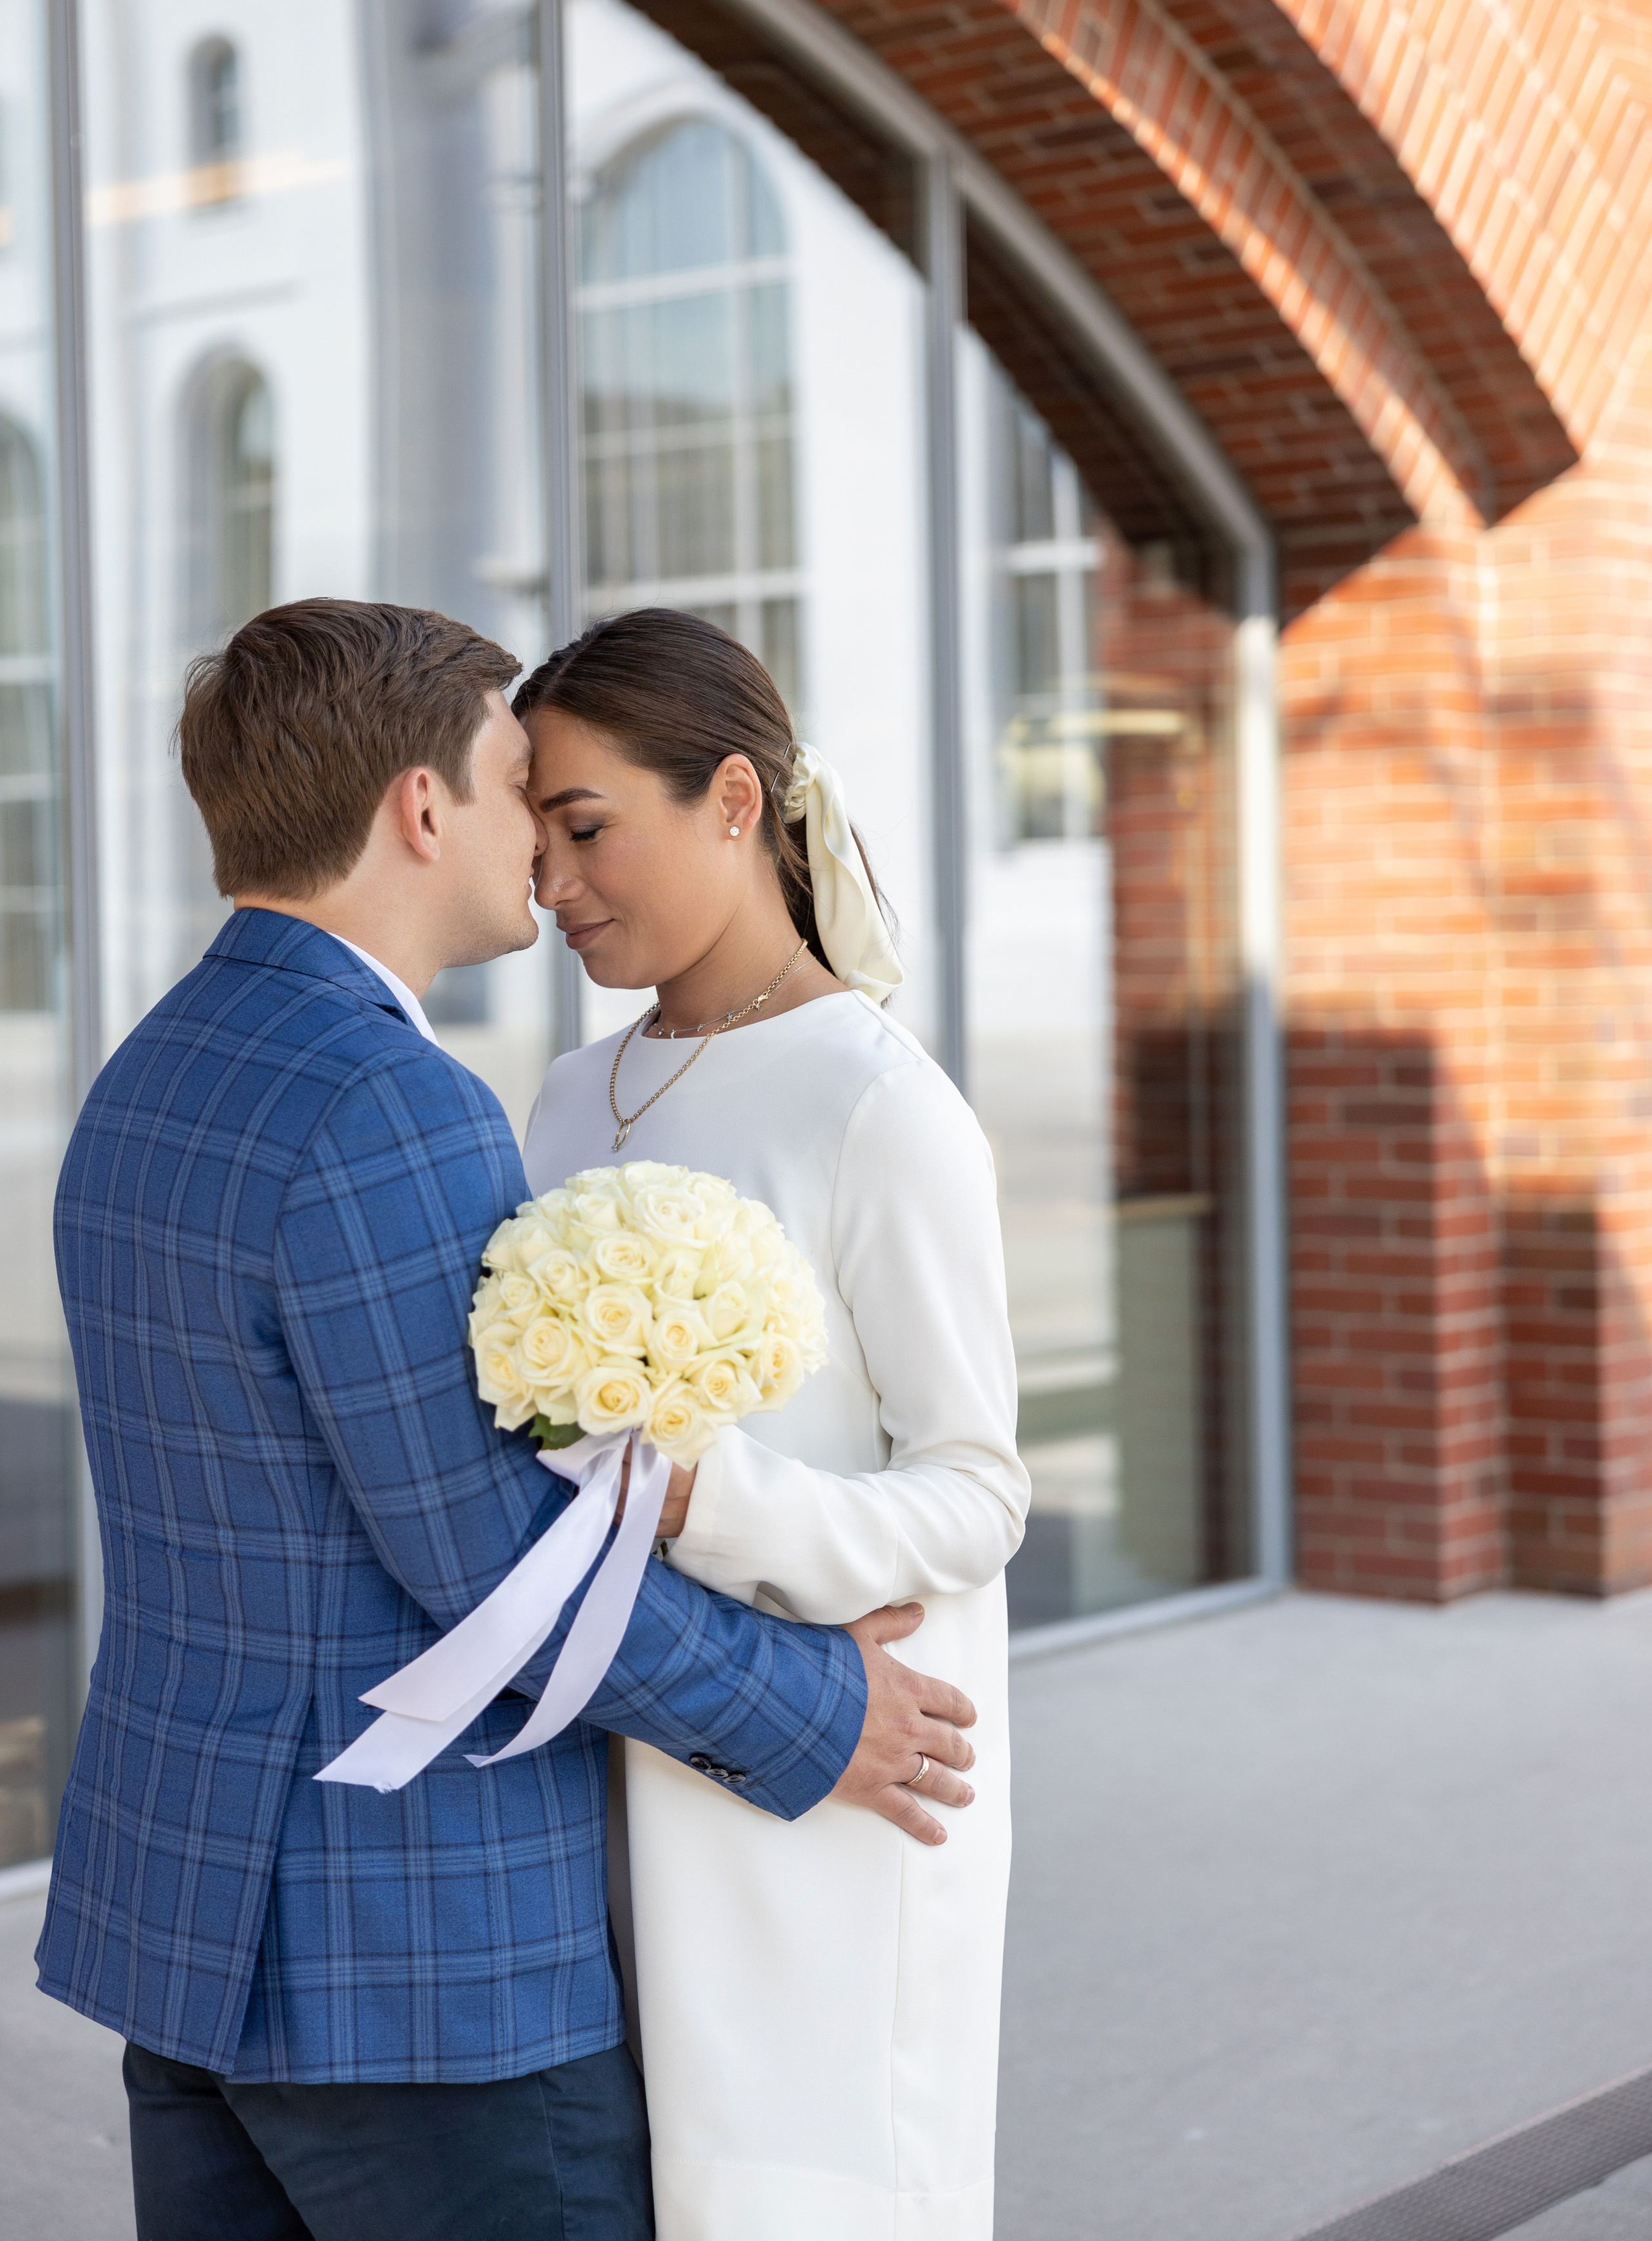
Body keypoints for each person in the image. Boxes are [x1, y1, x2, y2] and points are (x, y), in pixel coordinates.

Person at [35, 597, 978, 2241]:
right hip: (418, 1972)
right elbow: (487, 1553)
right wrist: (815, 1709)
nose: (536, 855)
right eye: (504, 785)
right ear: (417, 809)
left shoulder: (152, 1068)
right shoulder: (393, 1101)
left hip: (180, 1924)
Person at [518, 606, 1029, 2241]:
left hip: (828, 1788)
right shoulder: (558, 1096)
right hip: (612, 1761)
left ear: (734, 802)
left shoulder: (876, 1102)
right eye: (529, 834)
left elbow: (975, 1492)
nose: (547, 884)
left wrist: (713, 1505)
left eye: (583, 827)